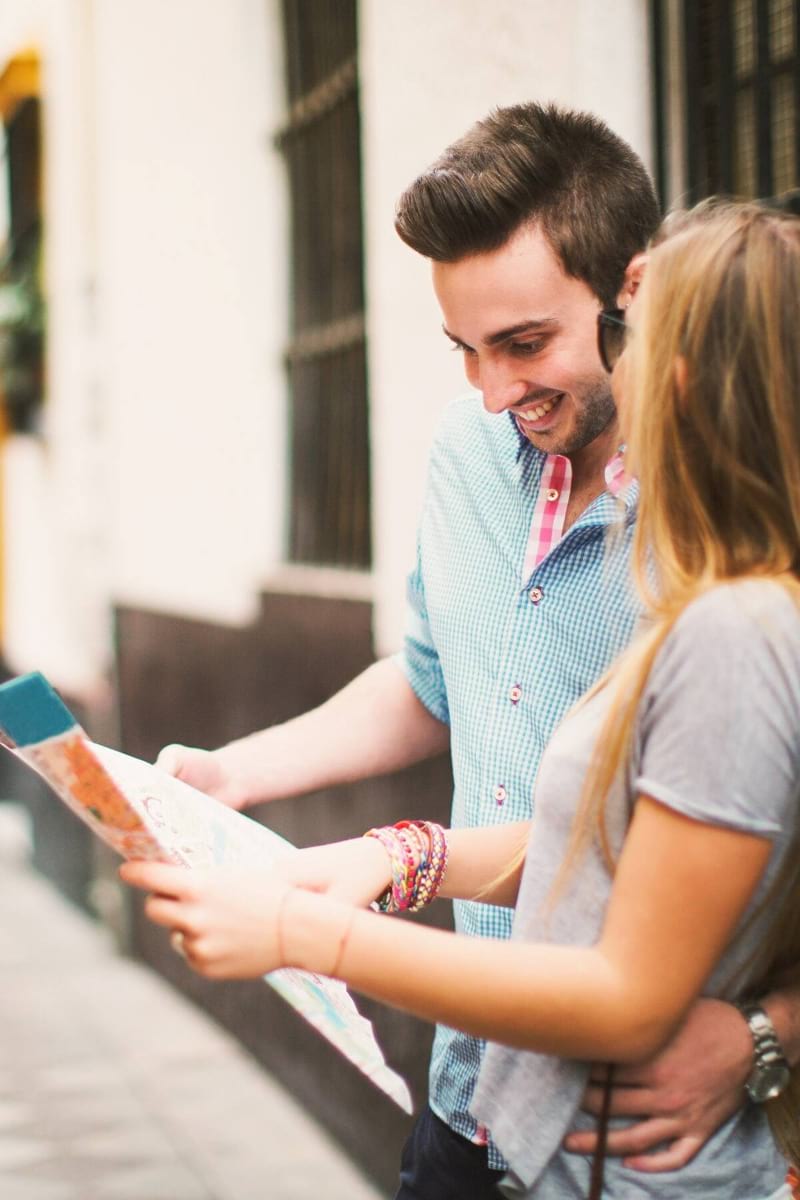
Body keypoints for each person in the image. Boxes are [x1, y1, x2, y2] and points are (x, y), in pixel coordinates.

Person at [136, 105, 800, 1197]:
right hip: (474, 1090)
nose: (493, 394)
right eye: (465, 352)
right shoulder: (471, 452)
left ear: (634, 302)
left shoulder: (730, 611)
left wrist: (763, 1033)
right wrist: (259, 789)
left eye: (526, 344)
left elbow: (648, 934)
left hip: (635, 1139)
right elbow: (450, 689)